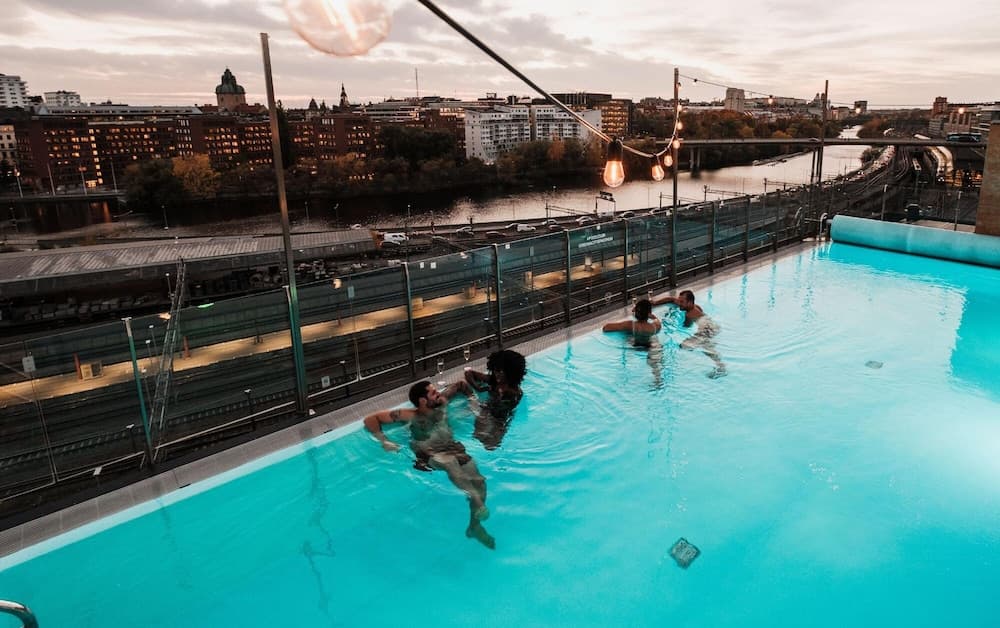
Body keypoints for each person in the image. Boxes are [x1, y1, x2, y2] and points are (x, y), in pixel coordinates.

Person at [363, 380, 495, 549]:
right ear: (423, 401)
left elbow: (461, 384)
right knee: (450, 463)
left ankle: (474, 527)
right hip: (428, 454)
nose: (438, 393)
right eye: (433, 393)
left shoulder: (441, 404)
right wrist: (384, 441)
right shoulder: (409, 415)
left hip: (452, 448)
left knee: (480, 482)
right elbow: (370, 419)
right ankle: (475, 499)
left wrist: (471, 398)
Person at [652, 289, 727, 378]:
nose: (679, 303)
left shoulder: (690, 314)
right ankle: (720, 365)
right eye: (679, 301)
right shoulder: (694, 306)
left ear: (690, 302)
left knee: (689, 346)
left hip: (706, 328)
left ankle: (721, 367)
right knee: (699, 345)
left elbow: (686, 326)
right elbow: (671, 299)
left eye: (682, 302)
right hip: (711, 324)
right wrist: (654, 302)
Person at [463, 349, 527, 450]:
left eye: (500, 371)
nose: (496, 374)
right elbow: (468, 373)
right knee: (477, 436)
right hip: (487, 410)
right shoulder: (494, 381)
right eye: (495, 370)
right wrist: (478, 388)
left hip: (501, 419)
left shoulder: (514, 392)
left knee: (491, 445)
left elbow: (504, 411)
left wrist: (497, 399)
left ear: (510, 372)